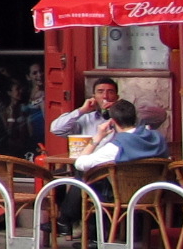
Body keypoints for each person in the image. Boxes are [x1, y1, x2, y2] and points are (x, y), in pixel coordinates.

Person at [58, 99, 169, 233]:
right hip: (154, 193)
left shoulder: (117, 146)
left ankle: (67, 221)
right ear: (135, 118)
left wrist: (98, 137)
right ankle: (68, 222)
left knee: (84, 176)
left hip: (122, 195)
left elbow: (80, 163)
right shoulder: (158, 138)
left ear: (113, 121)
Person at [50, 78, 121, 138]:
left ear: (116, 97)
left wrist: (117, 113)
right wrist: (82, 110)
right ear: (94, 97)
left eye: (110, 92)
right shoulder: (86, 119)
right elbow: (56, 129)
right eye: (100, 92)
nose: (105, 96)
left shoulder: (124, 118)